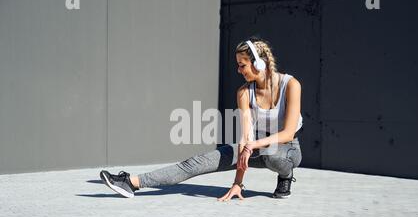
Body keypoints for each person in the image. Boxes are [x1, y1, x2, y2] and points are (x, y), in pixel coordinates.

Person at [100, 37, 303, 201]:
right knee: (197, 162)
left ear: (259, 63)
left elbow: (287, 133)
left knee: (273, 154)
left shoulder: (290, 85)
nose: (238, 70)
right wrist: (237, 183)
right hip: (256, 144)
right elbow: (246, 137)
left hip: (288, 147)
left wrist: (252, 145)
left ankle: (285, 176)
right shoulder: (243, 92)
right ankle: (131, 183)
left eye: (242, 65)